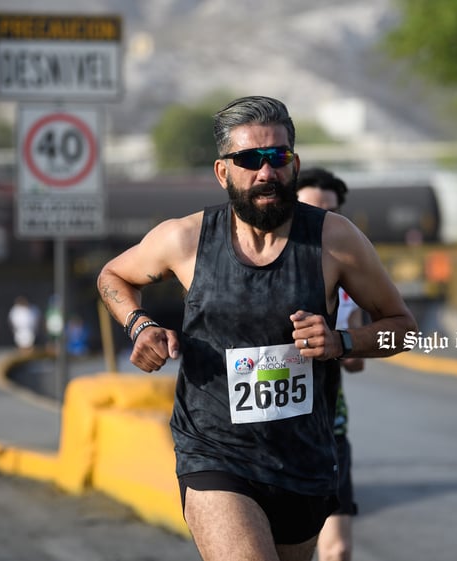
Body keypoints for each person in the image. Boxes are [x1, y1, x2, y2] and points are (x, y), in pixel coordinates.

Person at [97, 95, 417, 561]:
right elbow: (113, 275)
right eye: (250, 159)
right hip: (214, 453)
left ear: (294, 163)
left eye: (277, 157)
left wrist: (341, 341)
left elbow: (403, 329)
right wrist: (140, 324)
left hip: (302, 463)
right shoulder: (186, 239)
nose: (266, 171)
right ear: (223, 172)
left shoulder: (334, 239)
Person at [296, 167, 364, 561]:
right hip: (267, 434)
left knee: (336, 550)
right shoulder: (261, 267)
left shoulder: (348, 276)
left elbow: (356, 362)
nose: (324, 221)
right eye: (314, 209)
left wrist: (339, 344)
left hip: (328, 430)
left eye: (333, 212)